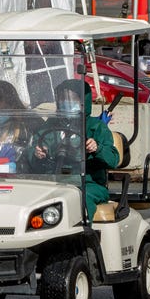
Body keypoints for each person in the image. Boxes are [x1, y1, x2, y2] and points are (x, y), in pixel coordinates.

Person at [29, 80, 118, 220]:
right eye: (62, 99)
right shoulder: (50, 124)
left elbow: (113, 159)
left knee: (79, 199)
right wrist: (36, 153)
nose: (66, 102)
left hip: (88, 183)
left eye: (71, 99)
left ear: (83, 101)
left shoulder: (96, 127)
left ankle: (83, 234)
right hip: (52, 179)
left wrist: (97, 148)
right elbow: (31, 149)